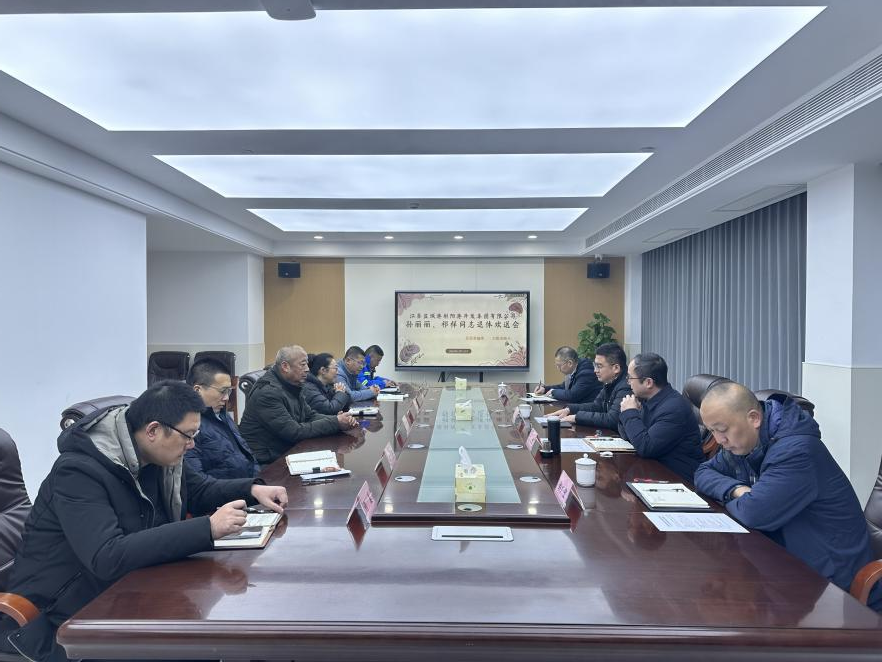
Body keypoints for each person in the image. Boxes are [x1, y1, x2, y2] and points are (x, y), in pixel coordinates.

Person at [4, 381, 288, 662]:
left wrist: (252, 490)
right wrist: (208, 528)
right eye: (188, 436)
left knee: (221, 629)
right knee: (204, 646)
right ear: (153, 430)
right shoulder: (78, 472)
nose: (192, 445)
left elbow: (200, 490)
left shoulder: (155, 456)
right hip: (62, 616)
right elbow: (107, 556)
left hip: (130, 588)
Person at [694, 381, 882, 610]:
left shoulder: (796, 451)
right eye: (712, 431)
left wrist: (742, 499)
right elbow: (703, 472)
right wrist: (736, 490)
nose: (718, 441)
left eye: (722, 430)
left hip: (831, 586)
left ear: (754, 418)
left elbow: (754, 513)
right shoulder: (746, 442)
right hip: (785, 562)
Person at [239, 345, 359, 464]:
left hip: (286, 450)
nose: (307, 369)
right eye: (302, 364)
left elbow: (309, 415)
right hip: (266, 461)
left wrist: (338, 420)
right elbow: (293, 432)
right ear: (285, 366)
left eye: (307, 364)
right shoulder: (268, 393)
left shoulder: (292, 385)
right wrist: (336, 423)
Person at [617, 353, 704, 482]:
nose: (628, 382)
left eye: (630, 378)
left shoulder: (673, 408)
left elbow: (646, 447)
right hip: (652, 468)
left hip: (677, 477)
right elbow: (628, 437)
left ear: (648, 382)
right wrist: (629, 413)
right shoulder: (647, 399)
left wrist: (630, 412)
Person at [184, 358, 259, 480]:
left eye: (229, 391)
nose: (226, 398)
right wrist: (247, 487)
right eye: (223, 391)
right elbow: (198, 481)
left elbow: (247, 454)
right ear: (197, 390)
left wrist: (258, 480)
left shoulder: (221, 414)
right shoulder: (187, 425)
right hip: (227, 490)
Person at [549, 343, 631, 430]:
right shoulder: (610, 381)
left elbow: (611, 419)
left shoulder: (626, 386)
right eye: (595, 365)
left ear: (616, 368)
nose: (595, 370)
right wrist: (570, 409)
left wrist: (576, 417)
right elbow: (597, 406)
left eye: (599, 366)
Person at [533, 345, 601, 403]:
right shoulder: (576, 367)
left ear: (570, 363)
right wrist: (545, 389)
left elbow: (572, 396)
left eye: (559, 365)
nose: (558, 369)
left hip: (589, 409)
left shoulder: (586, 372)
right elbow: (564, 387)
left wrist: (553, 392)